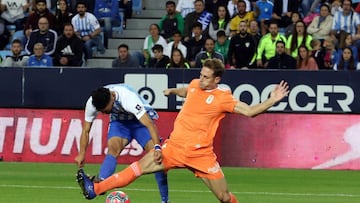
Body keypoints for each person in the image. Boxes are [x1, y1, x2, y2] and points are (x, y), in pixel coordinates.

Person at [76, 58, 290, 203]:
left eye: (207, 77)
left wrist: (272, 99)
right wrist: (172, 91)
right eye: (201, 74)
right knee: (134, 170)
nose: (202, 78)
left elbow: (251, 111)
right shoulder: (197, 84)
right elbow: (187, 90)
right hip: (174, 148)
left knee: (224, 197)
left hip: (201, 155)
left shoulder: (224, 98)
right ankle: (95, 189)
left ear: (217, 80)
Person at [74, 84, 170, 203]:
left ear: (112, 97)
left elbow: (149, 124)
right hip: (120, 122)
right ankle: (100, 184)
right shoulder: (93, 102)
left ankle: (165, 200)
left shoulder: (128, 98)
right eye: (101, 111)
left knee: (156, 158)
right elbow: (86, 130)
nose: (103, 113)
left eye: (105, 109)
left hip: (140, 123)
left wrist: (157, 147)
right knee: (113, 148)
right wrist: (81, 153)